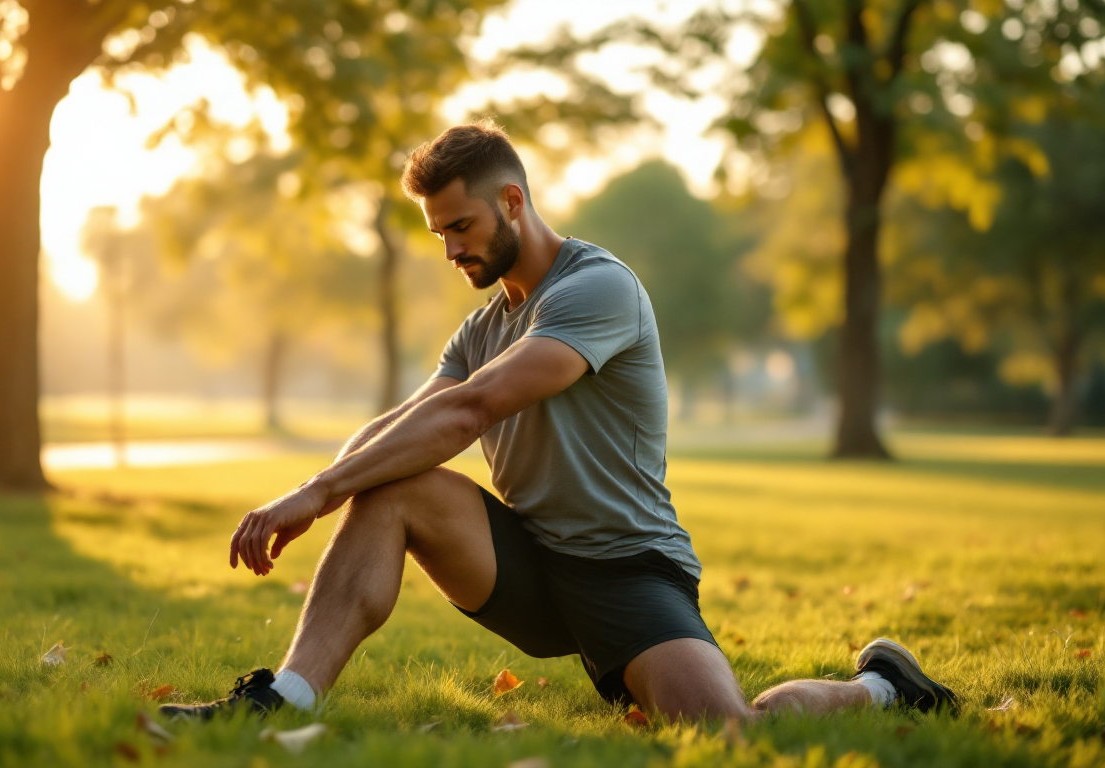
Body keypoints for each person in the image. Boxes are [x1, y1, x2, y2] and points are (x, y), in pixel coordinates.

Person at [162, 121, 957, 722]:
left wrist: (316, 494)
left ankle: (880, 687)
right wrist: (321, 486)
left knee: (724, 734)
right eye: (438, 234)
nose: (450, 251)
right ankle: (285, 699)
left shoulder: (596, 290)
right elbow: (408, 420)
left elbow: (473, 409)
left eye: (461, 228)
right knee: (393, 487)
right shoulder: (480, 329)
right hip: (534, 561)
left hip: (628, 567)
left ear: (512, 202)